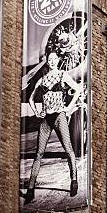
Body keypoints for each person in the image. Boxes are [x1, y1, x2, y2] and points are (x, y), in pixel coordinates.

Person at [24, 45, 82, 204]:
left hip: (59, 116)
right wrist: (36, 111)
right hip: (46, 119)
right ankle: (30, 189)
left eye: (55, 59)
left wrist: (69, 108)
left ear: (58, 60)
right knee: (38, 154)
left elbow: (77, 89)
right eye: (50, 59)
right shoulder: (42, 79)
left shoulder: (63, 75)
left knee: (68, 148)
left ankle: (74, 181)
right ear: (47, 61)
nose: (52, 61)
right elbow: (31, 97)